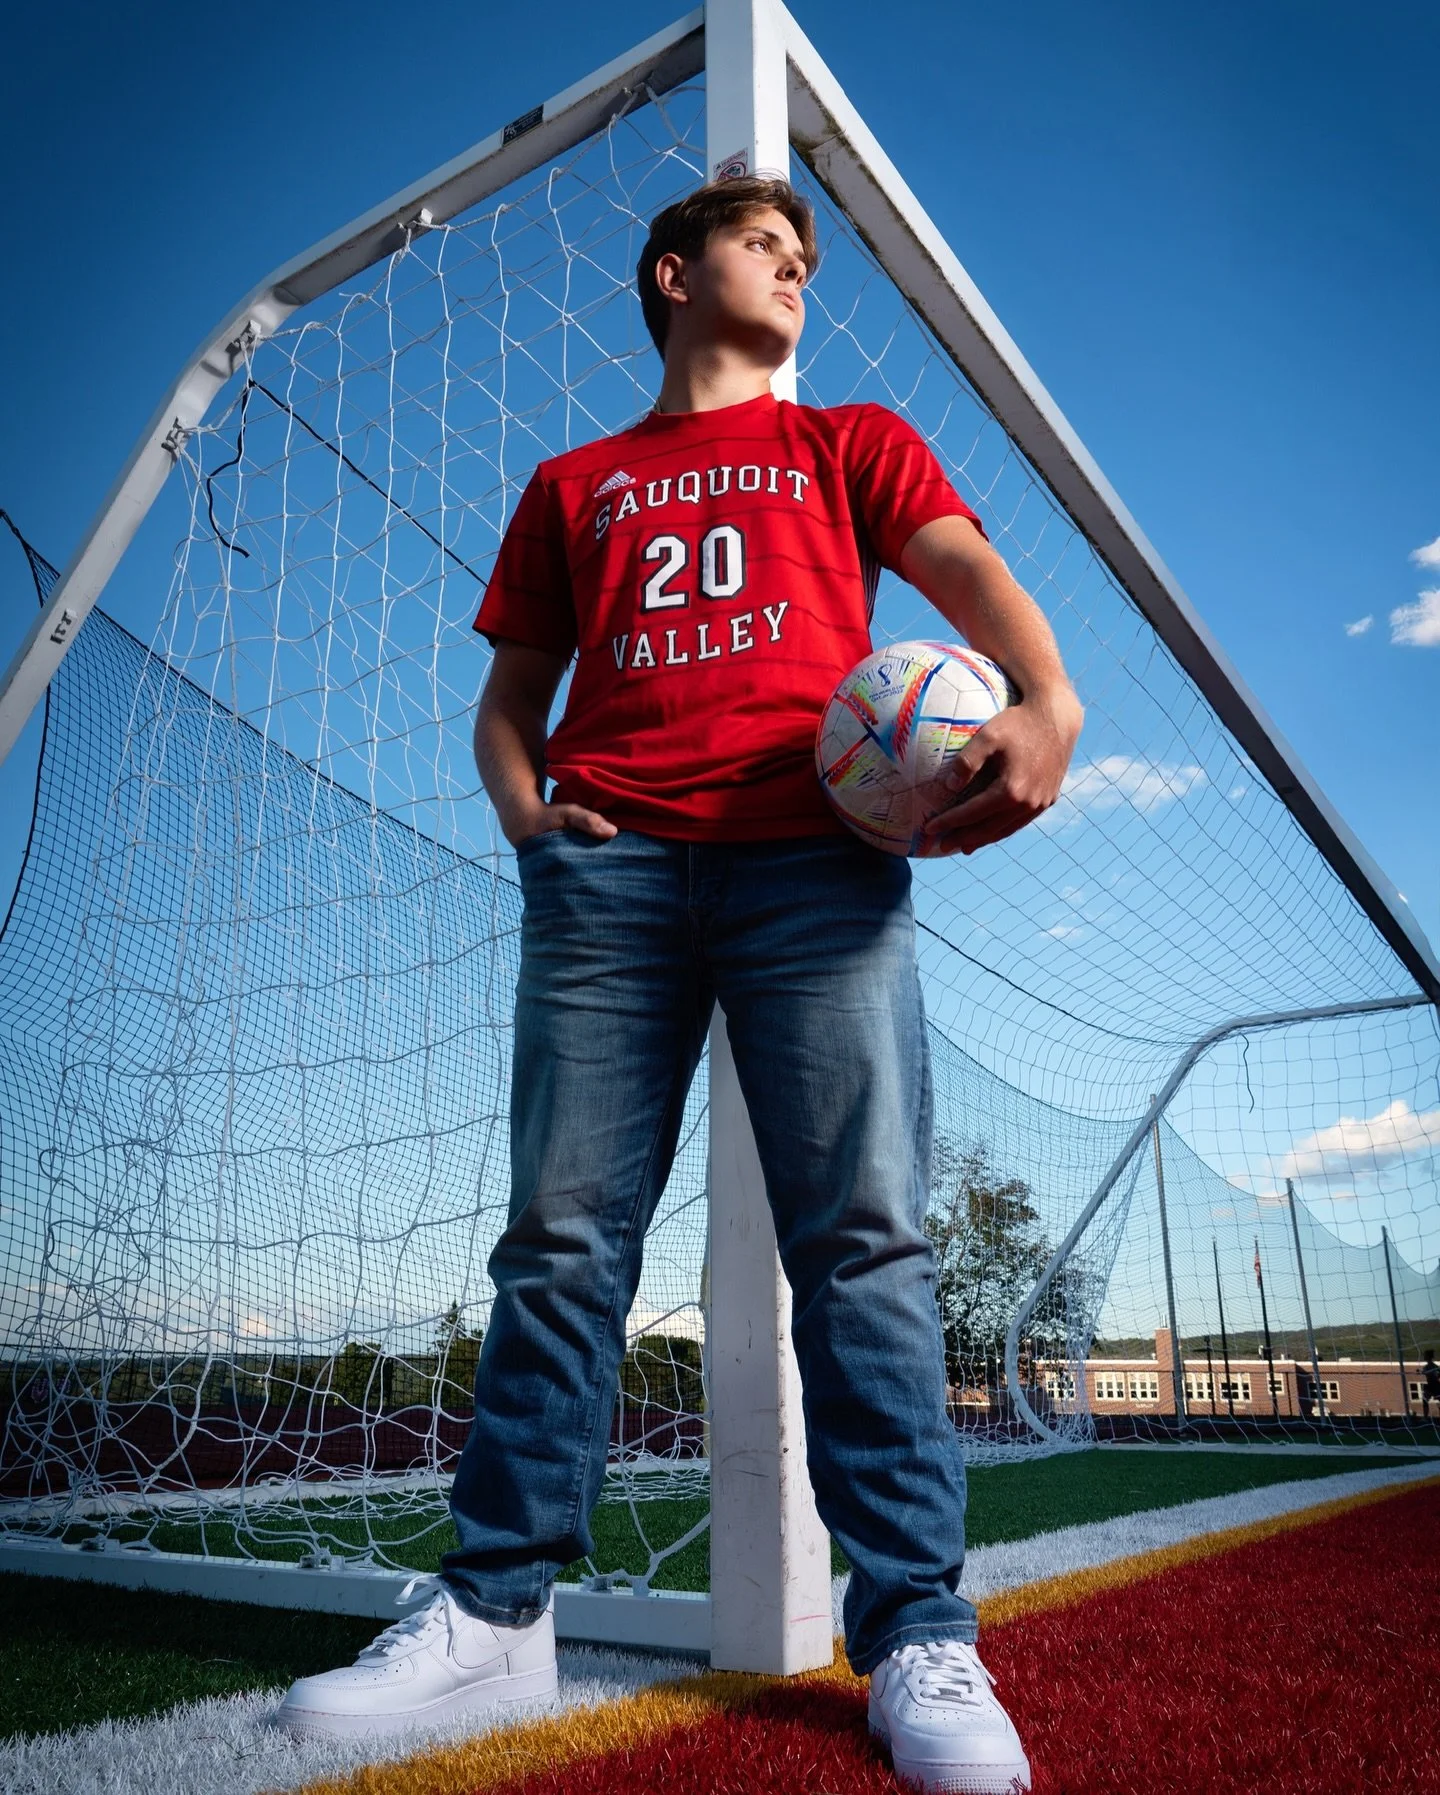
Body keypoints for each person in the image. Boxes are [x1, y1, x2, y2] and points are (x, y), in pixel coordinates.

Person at [276, 174, 1082, 1794]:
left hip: (816, 863)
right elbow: (510, 704)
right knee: (564, 1239)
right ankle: (500, 1609)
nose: (793, 267)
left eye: (803, 257)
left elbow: (977, 595)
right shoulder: (576, 484)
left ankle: (919, 1631)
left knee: (861, 1242)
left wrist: (1047, 699)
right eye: (761, 245)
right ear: (672, 272)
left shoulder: (845, 444)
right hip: (613, 877)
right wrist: (534, 827)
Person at [1422, 1349, 1440, 1421]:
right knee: (1425, 1399)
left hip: (1434, 1385)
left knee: (1426, 1400)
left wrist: (1434, 1374)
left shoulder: (1433, 1366)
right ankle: (1425, 1417)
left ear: (1428, 1357)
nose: (1424, 1357)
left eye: (1425, 1356)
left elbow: (1437, 1375)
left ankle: (1425, 1418)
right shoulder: (1430, 1366)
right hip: (1431, 1385)